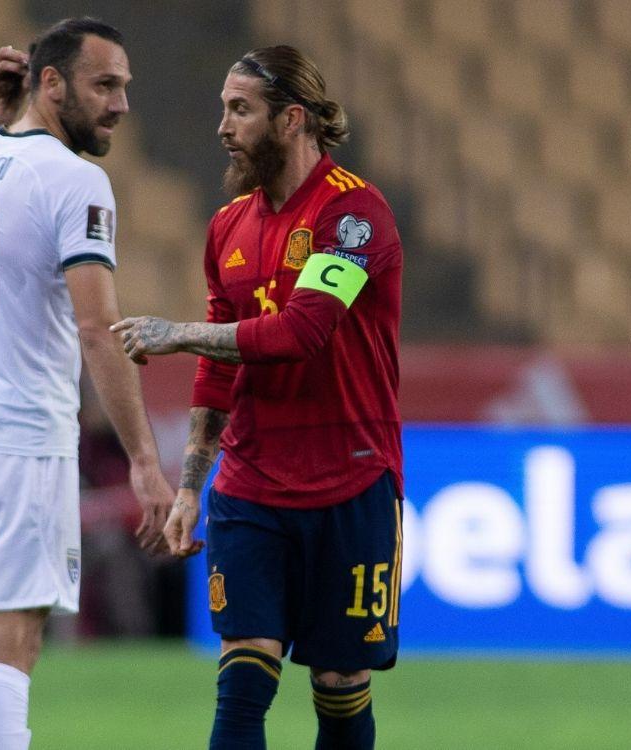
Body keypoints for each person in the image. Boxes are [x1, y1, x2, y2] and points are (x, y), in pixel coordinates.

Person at [113, 46, 405, 749]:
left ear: (291, 119)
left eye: (240, 109)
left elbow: (305, 330)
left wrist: (175, 332)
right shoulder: (228, 228)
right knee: (242, 681)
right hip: (251, 484)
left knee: (339, 688)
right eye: (223, 108)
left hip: (351, 477)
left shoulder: (354, 216)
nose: (224, 125)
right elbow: (221, 365)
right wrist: (192, 483)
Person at [0, 17, 175, 750]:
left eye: (124, 86)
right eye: (105, 85)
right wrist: (145, 461)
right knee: (14, 638)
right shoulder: (76, 180)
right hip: (19, 436)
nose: (120, 104)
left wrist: (4, 117)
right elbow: (99, 330)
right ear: (50, 81)